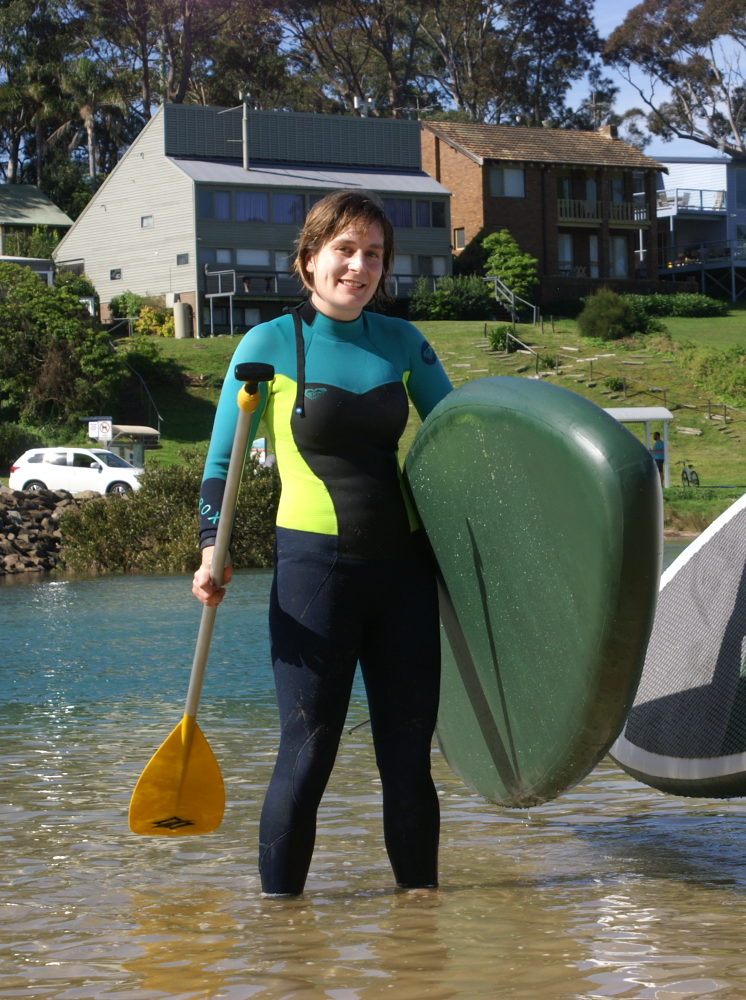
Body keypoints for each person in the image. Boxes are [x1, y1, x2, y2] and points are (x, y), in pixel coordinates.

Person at [191, 190, 454, 897]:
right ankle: (283, 934)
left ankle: (420, 934)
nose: (359, 266)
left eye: (373, 254)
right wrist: (211, 544)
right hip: (315, 575)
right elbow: (222, 465)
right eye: (344, 249)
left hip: (403, 575)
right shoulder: (269, 344)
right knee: (307, 755)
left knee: (408, 761)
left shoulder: (403, 343)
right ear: (309, 260)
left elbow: (461, 439)